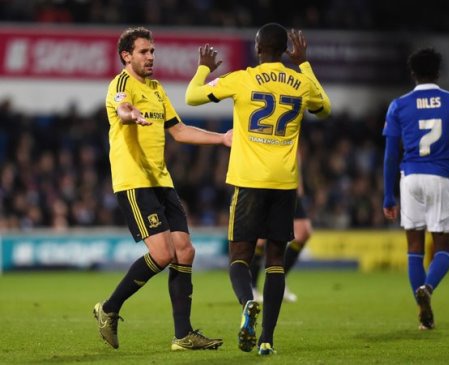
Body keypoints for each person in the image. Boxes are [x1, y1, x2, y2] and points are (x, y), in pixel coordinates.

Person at [185, 23, 331, 355]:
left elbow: (192, 97)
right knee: (276, 260)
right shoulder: (301, 82)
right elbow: (325, 108)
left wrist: (204, 68)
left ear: (257, 47)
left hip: (249, 180)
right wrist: (304, 64)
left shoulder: (243, 78)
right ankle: (267, 339)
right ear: (285, 51)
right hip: (284, 182)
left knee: (239, 256)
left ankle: (248, 302)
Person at [93, 26, 231, 351]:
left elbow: (179, 131)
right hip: (134, 181)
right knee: (163, 253)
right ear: (127, 55)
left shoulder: (156, 88)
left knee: (185, 251)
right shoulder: (121, 84)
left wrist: (222, 139)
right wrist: (131, 115)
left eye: (153, 51)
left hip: (161, 180)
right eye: (144, 51)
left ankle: (183, 336)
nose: (151, 56)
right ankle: (109, 308)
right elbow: (122, 109)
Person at [382, 48, 449, 330]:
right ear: (438, 73)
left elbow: (390, 154)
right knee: (443, 247)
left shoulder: (398, 105)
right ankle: (428, 289)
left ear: (413, 74)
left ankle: (424, 313)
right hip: (440, 177)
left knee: (414, 248)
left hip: (409, 178)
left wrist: (388, 194)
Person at [250, 158, 312, 303]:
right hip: (264, 178)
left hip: (288, 181)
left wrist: (299, 179)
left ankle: (278, 283)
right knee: (260, 238)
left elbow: (296, 150)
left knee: (303, 232)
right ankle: (251, 287)